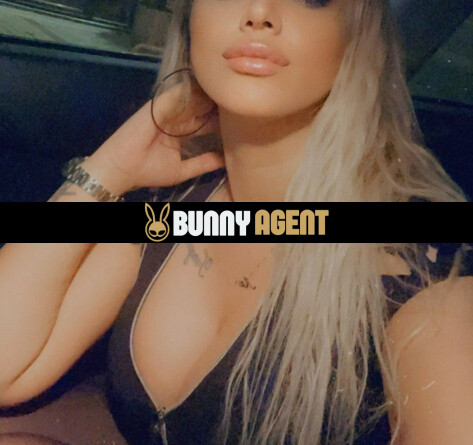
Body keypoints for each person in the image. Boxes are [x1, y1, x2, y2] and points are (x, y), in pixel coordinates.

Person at [1, 0, 473, 444]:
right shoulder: (172, 211)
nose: (259, 12)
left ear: (360, 39)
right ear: (190, 22)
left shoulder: (425, 281)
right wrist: (108, 171)